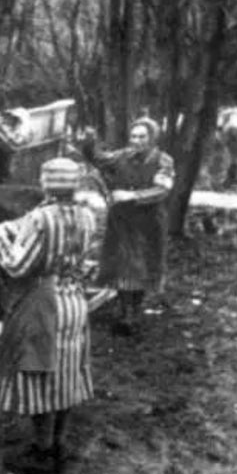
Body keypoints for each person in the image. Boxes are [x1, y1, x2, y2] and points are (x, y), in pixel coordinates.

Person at [0, 157, 97, 474]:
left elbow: (19, 265)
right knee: (66, 373)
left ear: (46, 184)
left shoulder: (41, 218)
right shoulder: (87, 215)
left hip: (44, 302)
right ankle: (58, 444)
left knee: (41, 372)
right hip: (74, 300)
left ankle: (42, 451)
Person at [86, 117, 175, 334]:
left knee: (142, 267)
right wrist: (89, 142)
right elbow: (99, 159)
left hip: (148, 224)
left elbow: (163, 190)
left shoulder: (163, 161)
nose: (136, 141)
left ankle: (133, 311)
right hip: (122, 222)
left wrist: (132, 195)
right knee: (123, 266)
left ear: (152, 138)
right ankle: (127, 314)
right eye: (134, 136)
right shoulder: (122, 156)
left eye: (142, 136)